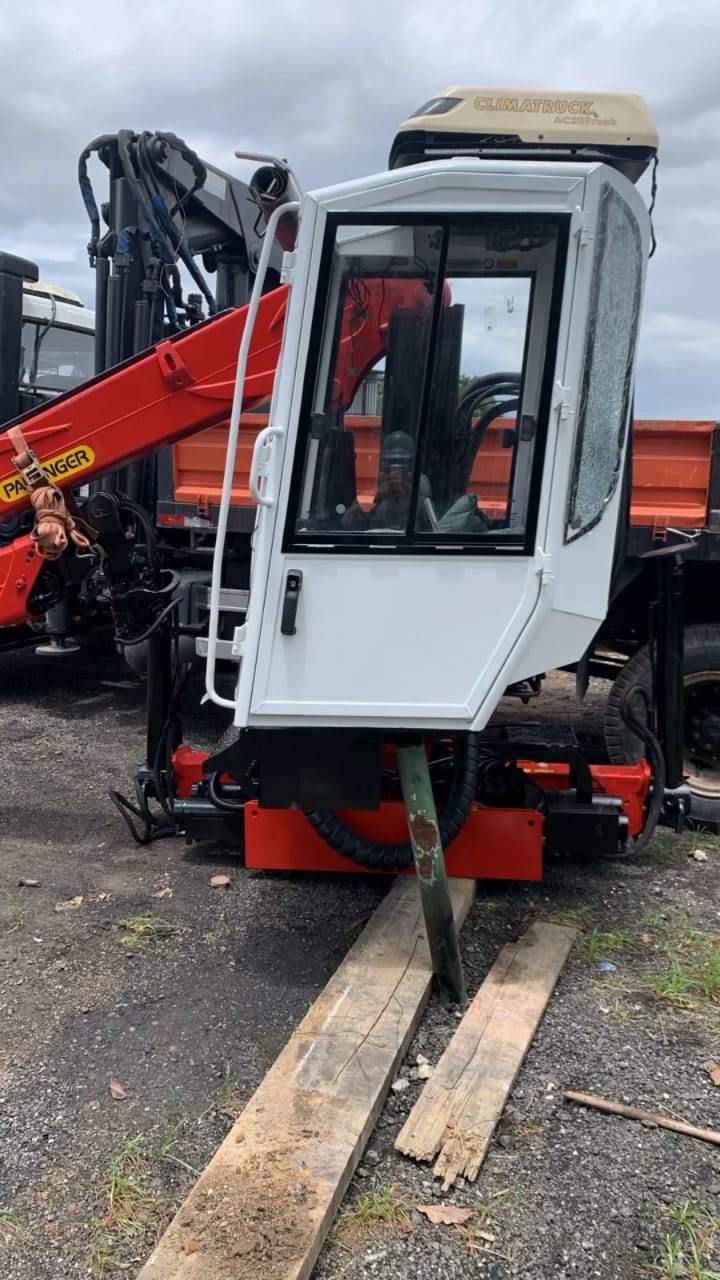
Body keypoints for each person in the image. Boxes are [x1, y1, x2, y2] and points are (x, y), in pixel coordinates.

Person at [342, 430, 432, 532]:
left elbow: (431, 531)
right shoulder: (371, 496)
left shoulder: (419, 498)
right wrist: (377, 497)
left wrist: (409, 494)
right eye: (391, 462)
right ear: (383, 465)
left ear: (411, 466)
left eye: (402, 462)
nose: (396, 468)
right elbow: (347, 523)